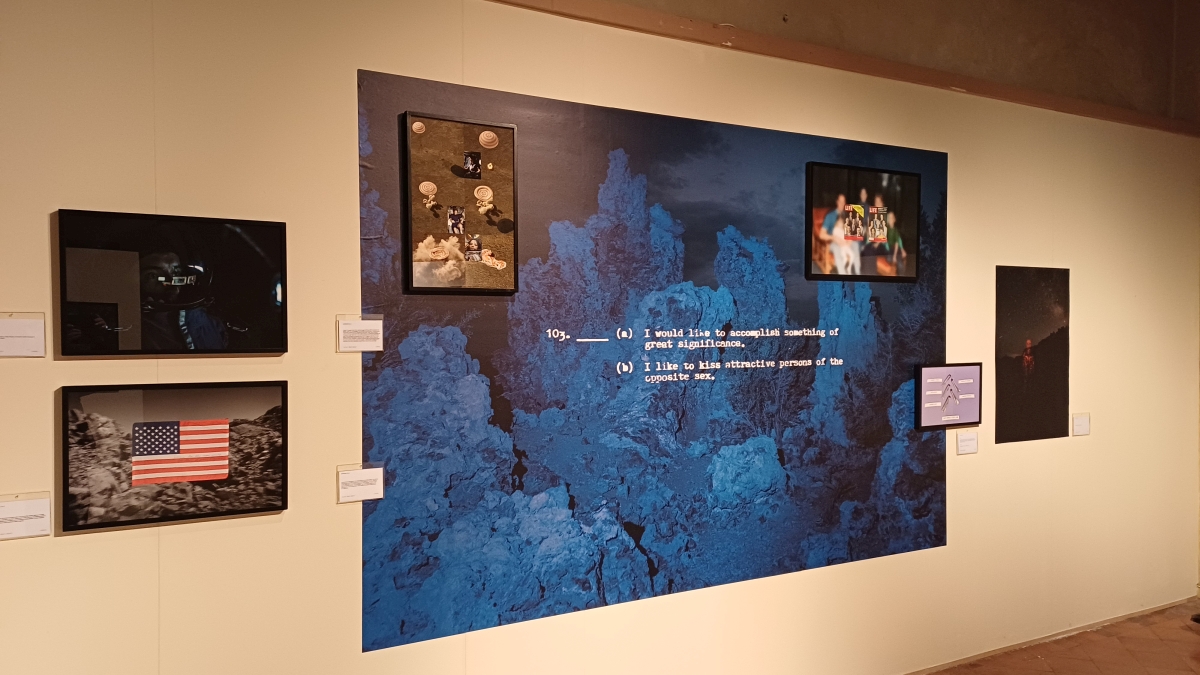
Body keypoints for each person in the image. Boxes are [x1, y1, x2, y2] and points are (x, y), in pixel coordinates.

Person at [139, 251, 228, 351]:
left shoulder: (211, 323)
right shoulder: (132, 326)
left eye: (176, 273)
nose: (173, 286)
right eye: (152, 276)